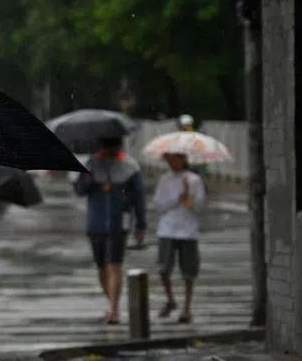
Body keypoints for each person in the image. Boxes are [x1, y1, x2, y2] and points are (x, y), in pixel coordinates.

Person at [73, 137, 146, 325]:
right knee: (102, 268)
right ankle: (111, 302)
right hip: (95, 224)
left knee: (114, 265)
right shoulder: (91, 164)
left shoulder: (129, 167)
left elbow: (139, 197)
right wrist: (88, 180)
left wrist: (140, 223)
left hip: (118, 223)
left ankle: (114, 309)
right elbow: (79, 190)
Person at [152, 151, 206, 324]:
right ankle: (170, 299)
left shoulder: (194, 180)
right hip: (167, 229)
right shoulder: (165, 180)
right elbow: (159, 205)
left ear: (183, 159)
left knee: (188, 271)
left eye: (175, 158)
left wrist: (189, 200)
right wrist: (178, 198)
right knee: (164, 267)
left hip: (188, 231)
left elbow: (199, 206)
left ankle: (187, 308)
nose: (171, 162)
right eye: (169, 159)